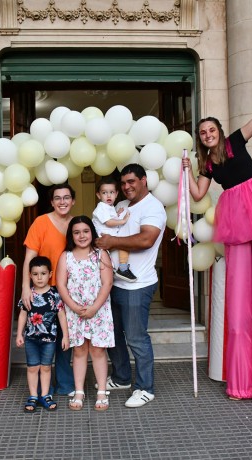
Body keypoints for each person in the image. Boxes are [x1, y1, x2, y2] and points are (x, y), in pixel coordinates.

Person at [181, 68, 252, 405]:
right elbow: (199, 195)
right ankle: (241, 384)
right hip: (235, 216)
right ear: (200, 139)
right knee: (238, 300)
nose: (208, 135)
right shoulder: (207, 166)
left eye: (211, 129)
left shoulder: (235, 142)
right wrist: (186, 172)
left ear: (219, 132)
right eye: (203, 132)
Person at [96, 164, 166, 408]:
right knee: (113, 335)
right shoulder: (122, 206)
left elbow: (146, 239)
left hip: (138, 285)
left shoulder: (153, 207)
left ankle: (146, 388)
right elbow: (107, 228)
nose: (126, 187)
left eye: (131, 182)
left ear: (144, 180)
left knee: (136, 337)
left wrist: (111, 241)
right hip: (113, 282)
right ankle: (122, 377)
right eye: (123, 183)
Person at [20, 183, 76, 397]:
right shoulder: (41, 222)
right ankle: (45, 389)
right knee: (44, 338)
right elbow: (29, 258)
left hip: (70, 291)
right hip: (43, 291)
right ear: (51, 202)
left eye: (67, 197)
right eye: (57, 198)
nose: (62, 201)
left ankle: (65, 384)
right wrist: (26, 287)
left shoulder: (77, 224)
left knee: (64, 337)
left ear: (73, 201)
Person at [56, 216, 114, 411]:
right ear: (71, 235)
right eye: (77, 232)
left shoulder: (101, 254)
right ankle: (79, 391)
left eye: (85, 231)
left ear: (92, 232)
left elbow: (107, 283)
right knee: (79, 350)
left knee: (98, 350)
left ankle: (102, 392)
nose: (82, 236)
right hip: (75, 311)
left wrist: (95, 307)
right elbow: (61, 285)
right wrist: (73, 306)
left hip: (99, 310)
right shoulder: (66, 256)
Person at [15, 256, 69, 412]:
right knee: (32, 367)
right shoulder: (28, 294)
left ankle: (45, 395)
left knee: (46, 367)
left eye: (43, 273)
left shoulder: (55, 294)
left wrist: (65, 336)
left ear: (50, 274)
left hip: (49, 340)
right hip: (31, 339)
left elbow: (61, 316)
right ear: (30, 275)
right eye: (35, 274)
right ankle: (33, 396)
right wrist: (19, 334)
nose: (39, 277)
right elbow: (23, 315)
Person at [92, 177, 135, 282]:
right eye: (104, 193)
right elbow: (108, 222)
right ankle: (123, 269)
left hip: (109, 238)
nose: (108, 195)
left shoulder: (109, 207)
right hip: (104, 239)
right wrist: (123, 220)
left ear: (116, 194)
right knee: (124, 245)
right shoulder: (101, 207)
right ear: (98, 195)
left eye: (111, 192)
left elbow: (110, 217)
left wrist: (117, 214)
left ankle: (117, 270)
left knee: (110, 258)